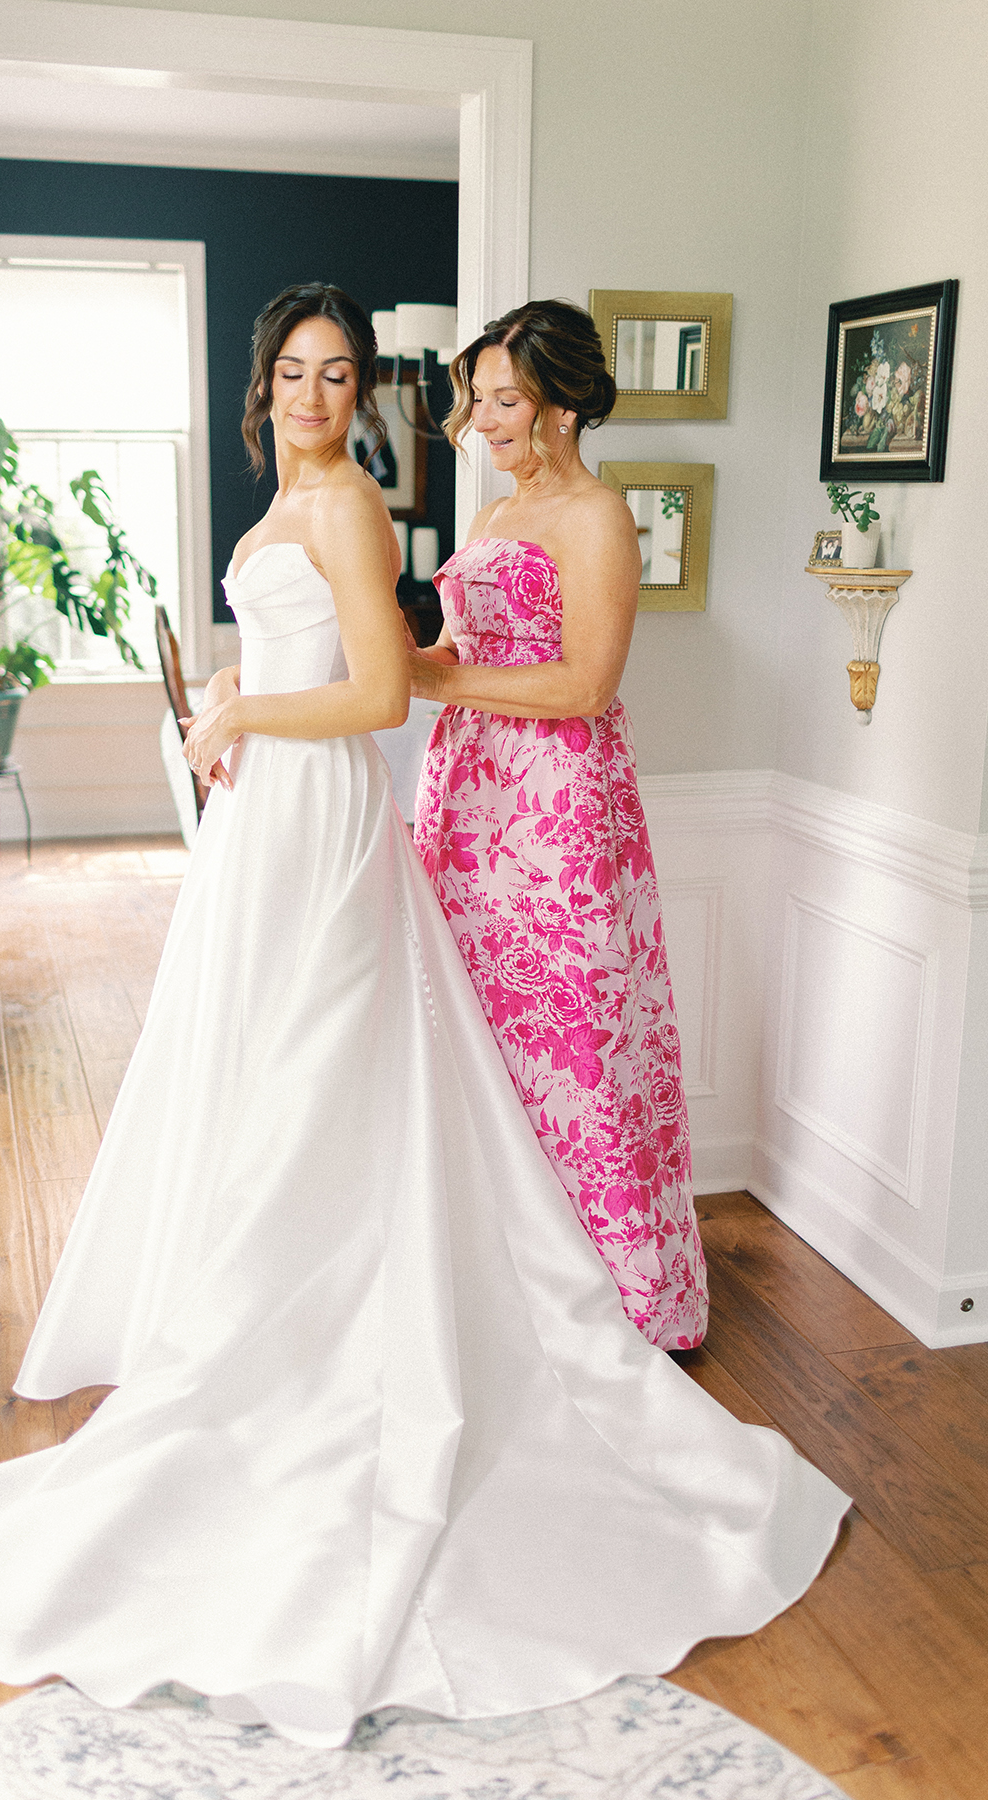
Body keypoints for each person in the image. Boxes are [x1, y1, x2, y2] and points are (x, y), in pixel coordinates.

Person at [0, 285, 848, 1750]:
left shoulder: (402, 512)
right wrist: (234, 695)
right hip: (396, 808)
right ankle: (295, 1305)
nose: (324, 395)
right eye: (297, 372)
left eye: (344, 374)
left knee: (406, 1069)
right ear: (264, 384)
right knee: (377, 1073)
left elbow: (427, 682)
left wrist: (260, 716)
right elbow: (350, 670)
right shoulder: (346, 508)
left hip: (456, 805)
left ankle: (405, 1327)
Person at [410, 299, 707, 1351]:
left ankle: (610, 1290)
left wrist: (428, 682)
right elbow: (456, 653)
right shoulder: (493, 517)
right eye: (475, 399)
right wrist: (384, 665)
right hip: (465, 796)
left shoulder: (598, 519)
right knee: (472, 1026)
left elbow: (585, 687)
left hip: (556, 811)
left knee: (572, 1035)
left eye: (503, 400)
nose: (479, 422)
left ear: (566, 404)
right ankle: (492, 1272)